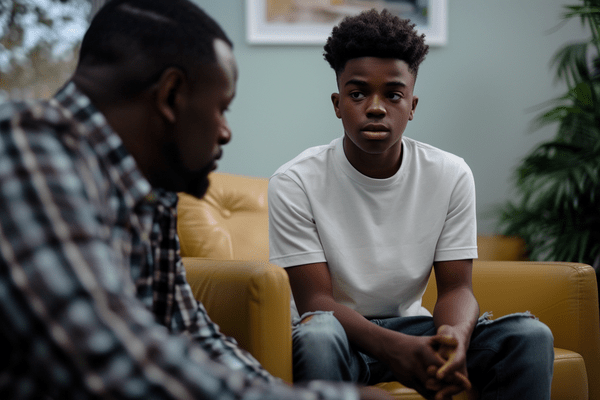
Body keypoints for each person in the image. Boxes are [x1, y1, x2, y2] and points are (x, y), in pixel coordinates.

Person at [0, 1, 394, 399]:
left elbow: (193, 334)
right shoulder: (23, 149)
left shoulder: (152, 195)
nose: (225, 133)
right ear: (171, 95)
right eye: (221, 108)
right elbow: (103, 358)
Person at [268, 9, 555, 400]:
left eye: (393, 94)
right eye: (357, 93)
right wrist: (392, 349)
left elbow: (456, 289)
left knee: (528, 335)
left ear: (412, 106)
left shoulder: (450, 174)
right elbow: (316, 302)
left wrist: (453, 337)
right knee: (317, 333)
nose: (375, 107)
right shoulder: (295, 181)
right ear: (337, 104)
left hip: (413, 330)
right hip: (337, 337)